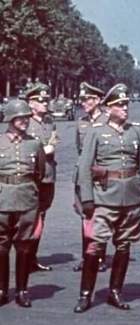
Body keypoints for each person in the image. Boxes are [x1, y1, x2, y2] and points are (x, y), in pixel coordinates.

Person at [73, 83, 140, 313]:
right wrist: (87, 199)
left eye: (126, 104)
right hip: (105, 197)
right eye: (119, 105)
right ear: (108, 108)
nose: (125, 108)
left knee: (124, 245)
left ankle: (115, 291)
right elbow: (86, 167)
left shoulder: (136, 131)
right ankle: (86, 294)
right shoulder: (96, 132)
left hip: (130, 197)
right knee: (95, 246)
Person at [0, 100, 46, 308]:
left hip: (27, 198)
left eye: (27, 117)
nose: (25, 121)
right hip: (2, 198)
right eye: (21, 117)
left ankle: (22, 290)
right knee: (1, 246)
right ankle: (2, 290)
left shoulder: (34, 144)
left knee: (24, 246)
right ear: (10, 118)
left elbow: (40, 173)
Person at [72, 82, 108, 273]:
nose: (84, 102)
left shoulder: (108, 120)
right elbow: (80, 149)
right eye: (83, 99)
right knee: (85, 216)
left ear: (98, 100)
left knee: (101, 217)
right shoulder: (81, 122)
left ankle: (100, 256)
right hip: (83, 176)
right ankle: (87, 256)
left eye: (88, 99)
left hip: (101, 176)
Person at [25, 82, 56, 272]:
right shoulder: (25, 123)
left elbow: (54, 141)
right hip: (33, 179)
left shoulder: (49, 122)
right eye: (41, 100)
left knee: (41, 217)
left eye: (46, 100)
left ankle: (32, 258)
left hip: (48, 177)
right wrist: (44, 151)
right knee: (29, 218)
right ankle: (25, 258)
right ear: (31, 103)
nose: (45, 103)